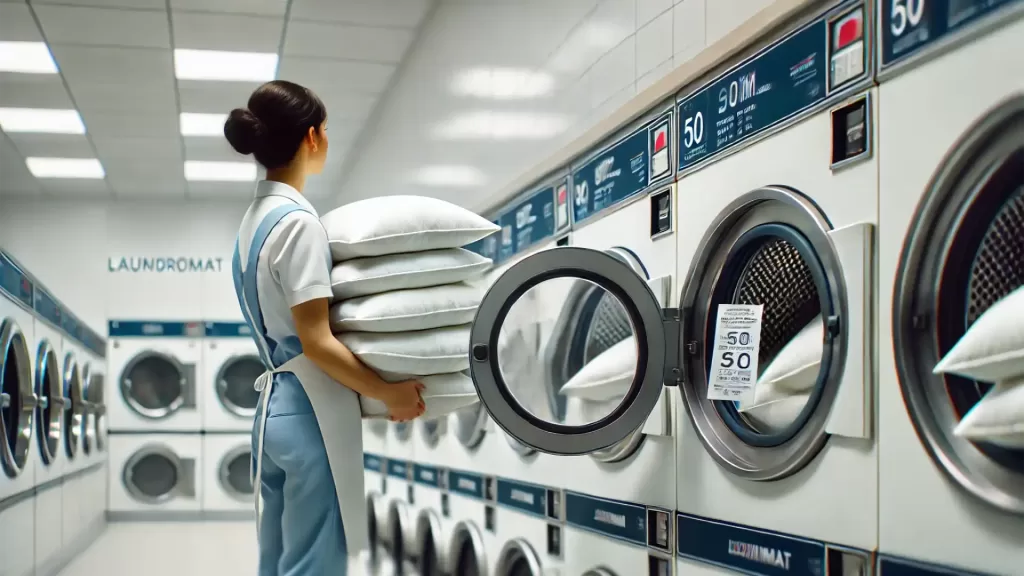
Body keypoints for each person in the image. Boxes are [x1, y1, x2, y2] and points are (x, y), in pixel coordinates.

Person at [224, 79, 426, 576]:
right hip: (310, 414)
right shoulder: (298, 224)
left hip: (273, 413)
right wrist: (388, 393)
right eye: (327, 130)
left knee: (277, 559)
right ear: (312, 138)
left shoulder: (254, 221)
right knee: (315, 562)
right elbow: (316, 341)